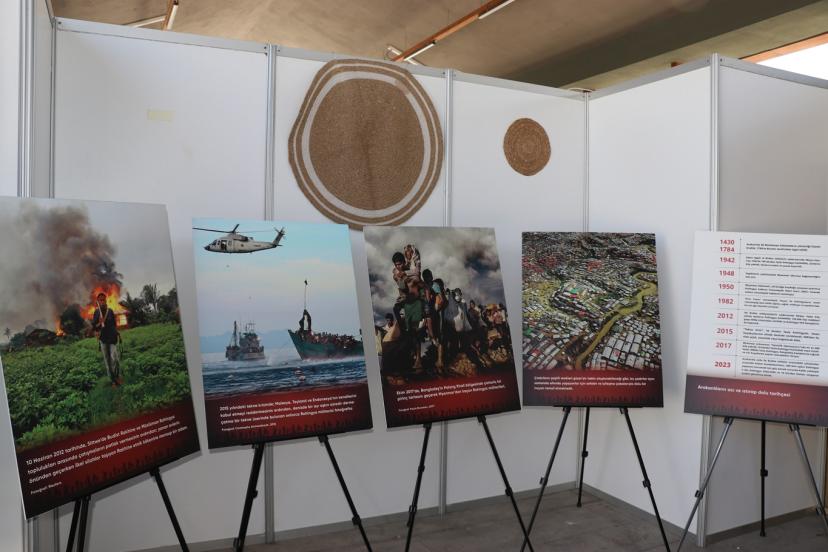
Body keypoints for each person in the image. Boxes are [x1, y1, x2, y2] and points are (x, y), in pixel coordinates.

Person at [92, 292, 121, 387]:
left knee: (114, 358)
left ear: (105, 300)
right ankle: (113, 381)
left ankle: (117, 376)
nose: (102, 301)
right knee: (107, 361)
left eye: (103, 299)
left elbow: (114, 324)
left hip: (112, 338)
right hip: (103, 339)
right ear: (98, 301)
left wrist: (117, 333)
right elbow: (94, 327)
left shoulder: (110, 311)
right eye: (100, 300)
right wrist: (99, 323)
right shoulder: (96, 312)